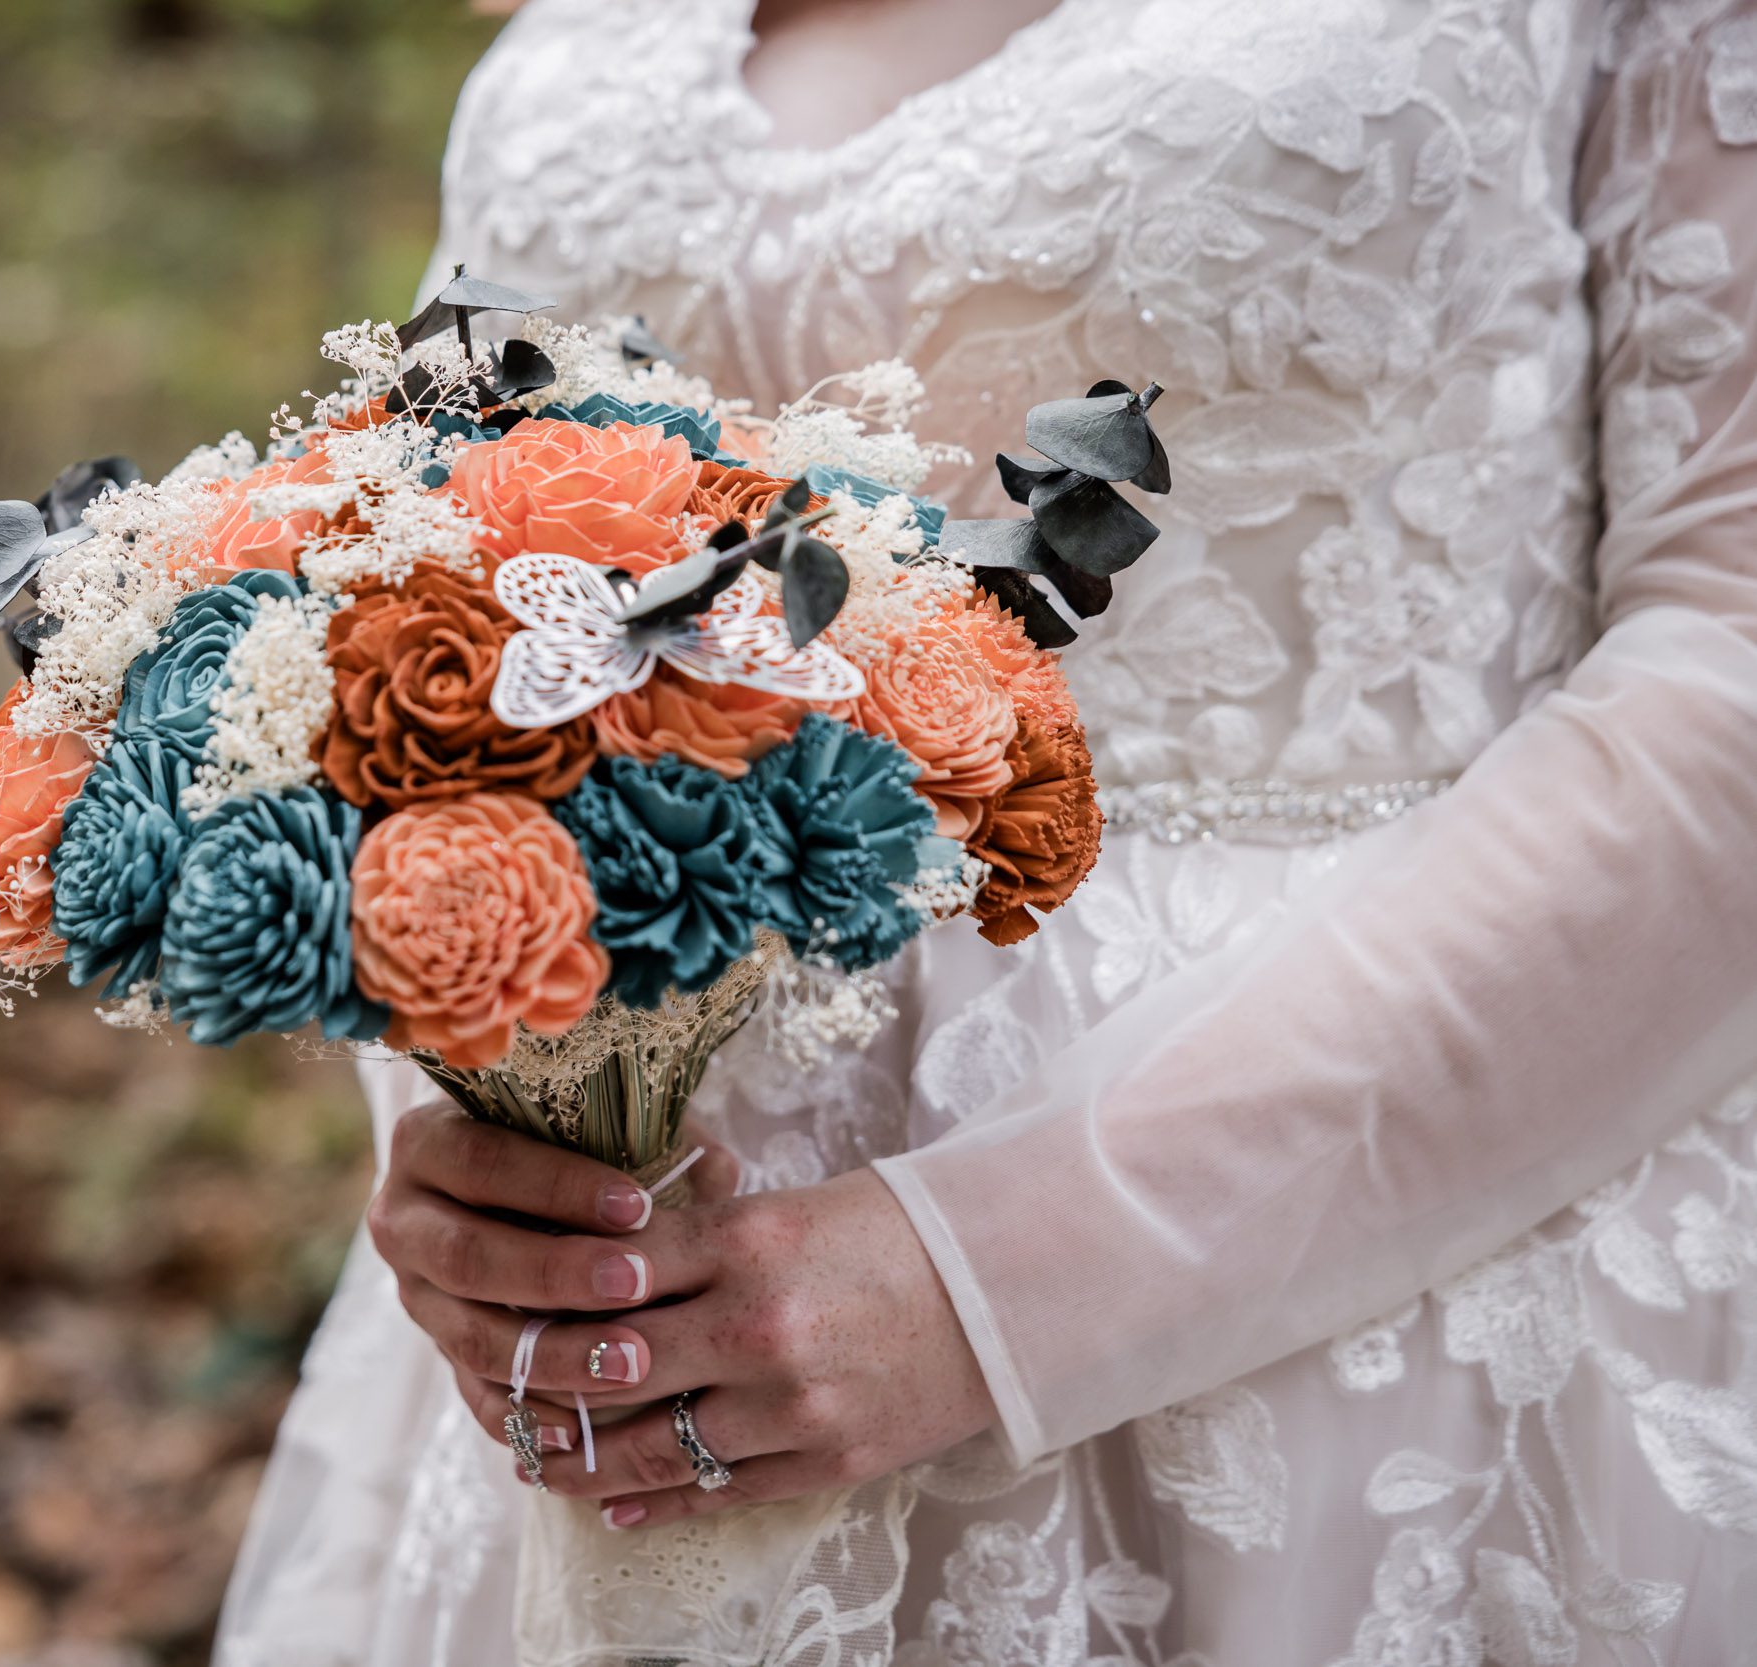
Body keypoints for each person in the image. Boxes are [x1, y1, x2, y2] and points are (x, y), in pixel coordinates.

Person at [217, 0, 1757, 1660]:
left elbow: (1727, 658)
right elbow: (431, 623)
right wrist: (480, 1163)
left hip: (1341, 1320)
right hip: (615, 1352)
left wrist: (1004, 1276)